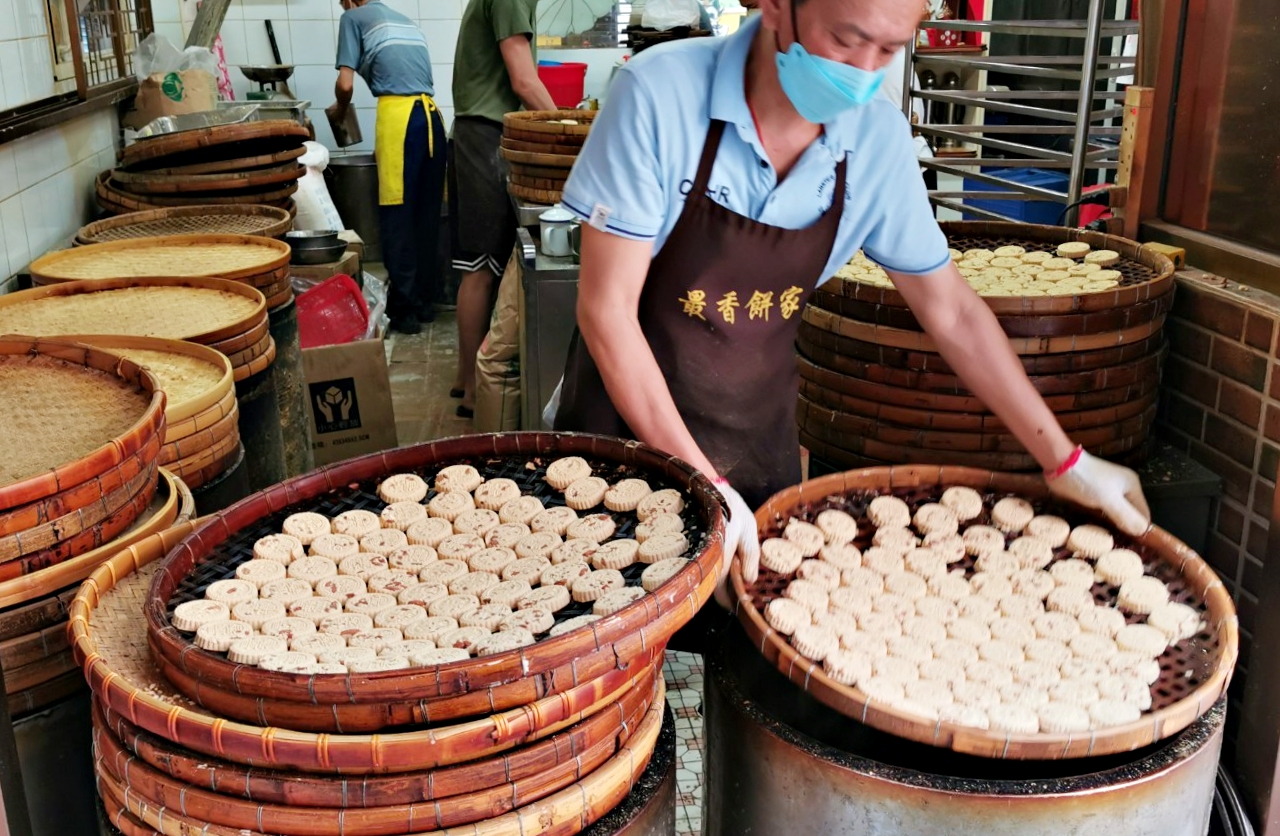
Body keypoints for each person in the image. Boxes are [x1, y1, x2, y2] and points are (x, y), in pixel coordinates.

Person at [554, 0, 1151, 603]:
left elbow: (953, 312)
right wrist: (704, 483)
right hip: (623, 456)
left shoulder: (876, 139)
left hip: (756, 450)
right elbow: (606, 312)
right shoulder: (659, 94)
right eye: (846, 38)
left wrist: (1065, 460)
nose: (863, 70)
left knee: (749, 662)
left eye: (888, 51)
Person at [449, 0, 557, 418]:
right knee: (482, 265)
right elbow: (524, 81)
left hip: (480, 131)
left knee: (480, 262)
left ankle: (465, 377)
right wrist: (567, 130)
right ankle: (477, 390)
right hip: (487, 134)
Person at [330, 0, 446, 335]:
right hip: (432, 118)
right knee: (426, 215)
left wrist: (339, 109)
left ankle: (405, 310)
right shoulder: (402, 19)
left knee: (397, 214)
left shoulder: (352, 17)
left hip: (400, 120)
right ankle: (426, 303)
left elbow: (346, 84)